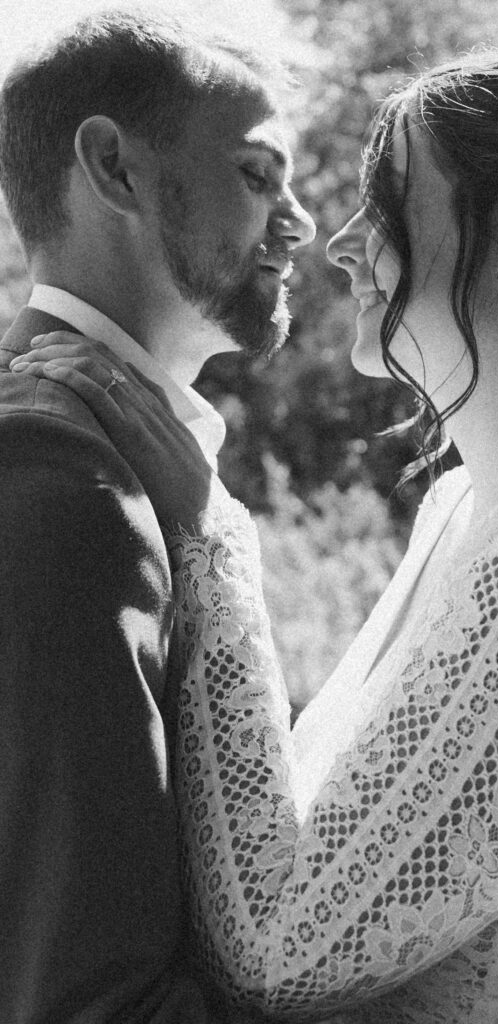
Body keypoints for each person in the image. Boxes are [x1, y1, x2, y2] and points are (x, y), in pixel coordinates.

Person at [16, 37, 498, 1024]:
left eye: (387, 204)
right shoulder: (462, 505)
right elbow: (302, 844)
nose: (339, 243)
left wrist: (209, 532)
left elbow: (285, 948)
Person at [0, 8, 315, 1022]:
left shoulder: (101, 456)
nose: (300, 223)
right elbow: (95, 1000)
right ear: (115, 168)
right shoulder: (64, 484)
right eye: (259, 175)